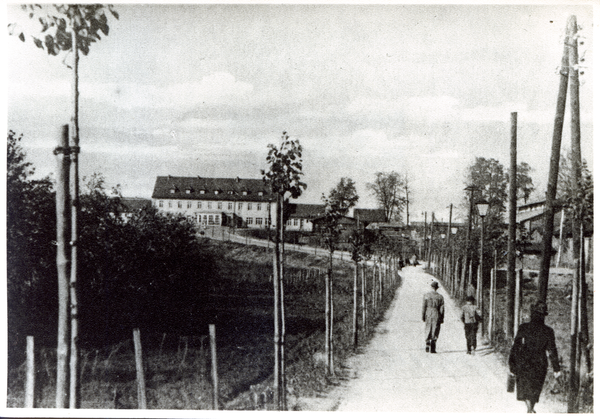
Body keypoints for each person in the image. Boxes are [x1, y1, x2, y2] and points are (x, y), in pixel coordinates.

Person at [508, 300, 562, 413]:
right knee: (534, 390)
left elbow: (515, 347)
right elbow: (552, 351)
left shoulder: (523, 327)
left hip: (524, 362)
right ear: (543, 316)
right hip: (540, 363)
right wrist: (556, 368)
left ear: (533, 314)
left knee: (525, 389)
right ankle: (531, 409)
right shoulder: (548, 331)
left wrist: (512, 364)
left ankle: (530, 409)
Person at [422, 280, 444, 353]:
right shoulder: (440, 297)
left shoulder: (426, 295)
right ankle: (433, 345)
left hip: (428, 312)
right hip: (436, 312)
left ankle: (427, 341)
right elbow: (442, 309)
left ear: (431, 287)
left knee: (428, 326)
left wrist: (423, 315)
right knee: (435, 327)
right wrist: (441, 318)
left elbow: (424, 306)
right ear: (437, 288)